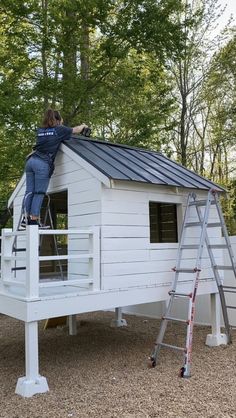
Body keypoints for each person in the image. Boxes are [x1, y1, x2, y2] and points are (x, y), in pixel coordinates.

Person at [21, 108, 88, 228]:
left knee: (29, 191)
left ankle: (25, 218)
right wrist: (83, 125)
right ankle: (34, 219)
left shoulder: (41, 130)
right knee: (39, 192)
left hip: (30, 161)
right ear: (58, 120)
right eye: (61, 120)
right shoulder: (59, 129)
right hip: (42, 163)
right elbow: (76, 130)